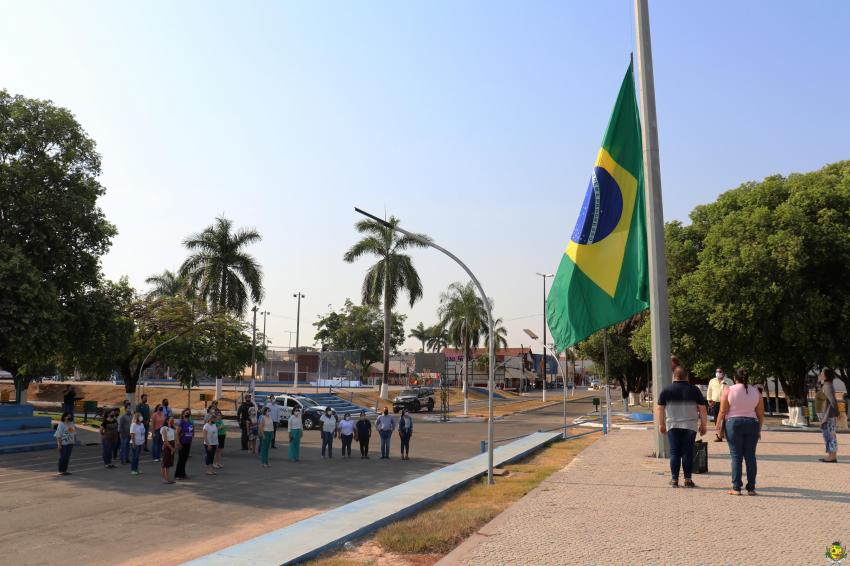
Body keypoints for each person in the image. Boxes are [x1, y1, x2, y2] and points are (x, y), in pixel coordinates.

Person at [656, 366, 707, 488]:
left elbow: (660, 408)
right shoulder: (694, 390)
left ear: (674, 376)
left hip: (672, 425)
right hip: (690, 425)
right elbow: (703, 409)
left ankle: (674, 480)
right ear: (687, 376)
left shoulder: (666, 390)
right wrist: (703, 425)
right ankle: (688, 479)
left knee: (674, 452)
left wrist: (661, 424)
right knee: (687, 453)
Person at [716, 368, 764, 495]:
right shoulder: (756, 392)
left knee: (736, 456)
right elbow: (760, 414)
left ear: (734, 377)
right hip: (752, 424)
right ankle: (751, 488)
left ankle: (736, 488)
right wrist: (759, 429)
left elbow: (723, 410)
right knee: (750, 456)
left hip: (734, 424)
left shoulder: (728, 390)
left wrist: (718, 424)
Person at [819, 368, 840, 463]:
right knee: (829, 435)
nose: (820, 375)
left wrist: (837, 413)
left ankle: (832, 456)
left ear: (826, 376)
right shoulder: (827, 385)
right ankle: (831, 455)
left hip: (829, 415)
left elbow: (833, 401)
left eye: (822, 374)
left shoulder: (827, 386)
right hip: (828, 415)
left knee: (830, 435)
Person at [706, 368, 732, 436]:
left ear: (723, 372)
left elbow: (733, 392)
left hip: (726, 403)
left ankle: (723, 433)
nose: (718, 373)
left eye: (720, 371)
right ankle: (718, 434)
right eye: (717, 371)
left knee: (725, 419)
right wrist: (709, 400)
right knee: (716, 419)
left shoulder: (729, 381)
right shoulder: (712, 381)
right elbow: (709, 391)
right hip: (715, 402)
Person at [175, 409, 194, 480]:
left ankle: (183, 473)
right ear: (183, 414)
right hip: (182, 442)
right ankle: (178, 474)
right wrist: (178, 442)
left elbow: (191, 433)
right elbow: (177, 433)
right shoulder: (181, 422)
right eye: (186, 413)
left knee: (185, 459)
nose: (188, 414)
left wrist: (191, 441)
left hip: (188, 443)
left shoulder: (190, 422)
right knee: (181, 459)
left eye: (189, 413)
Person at [160, 415, 176, 484]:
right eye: (171, 419)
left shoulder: (173, 429)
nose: (172, 421)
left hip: (171, 446)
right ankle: (164, 479)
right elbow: (165, 440)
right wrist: (172, 448)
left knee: (168, 464)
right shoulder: (164, 428)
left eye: (173, 420)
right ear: (167, 421)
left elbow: (175, 439)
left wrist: (174, 447)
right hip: (167, 446)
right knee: (165, 463)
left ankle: (168, 478)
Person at [129, 411, 146, 475]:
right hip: (135, 443)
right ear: (137, 417)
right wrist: (133, 443)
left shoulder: (141, 424)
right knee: (134, 457)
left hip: (140, 443)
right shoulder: (133, 425)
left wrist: (143, 441)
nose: (141, 417)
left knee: (137, 457)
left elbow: (143, 433)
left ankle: (136, 469)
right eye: (140, 416)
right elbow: (132, 434)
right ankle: (133, 469)